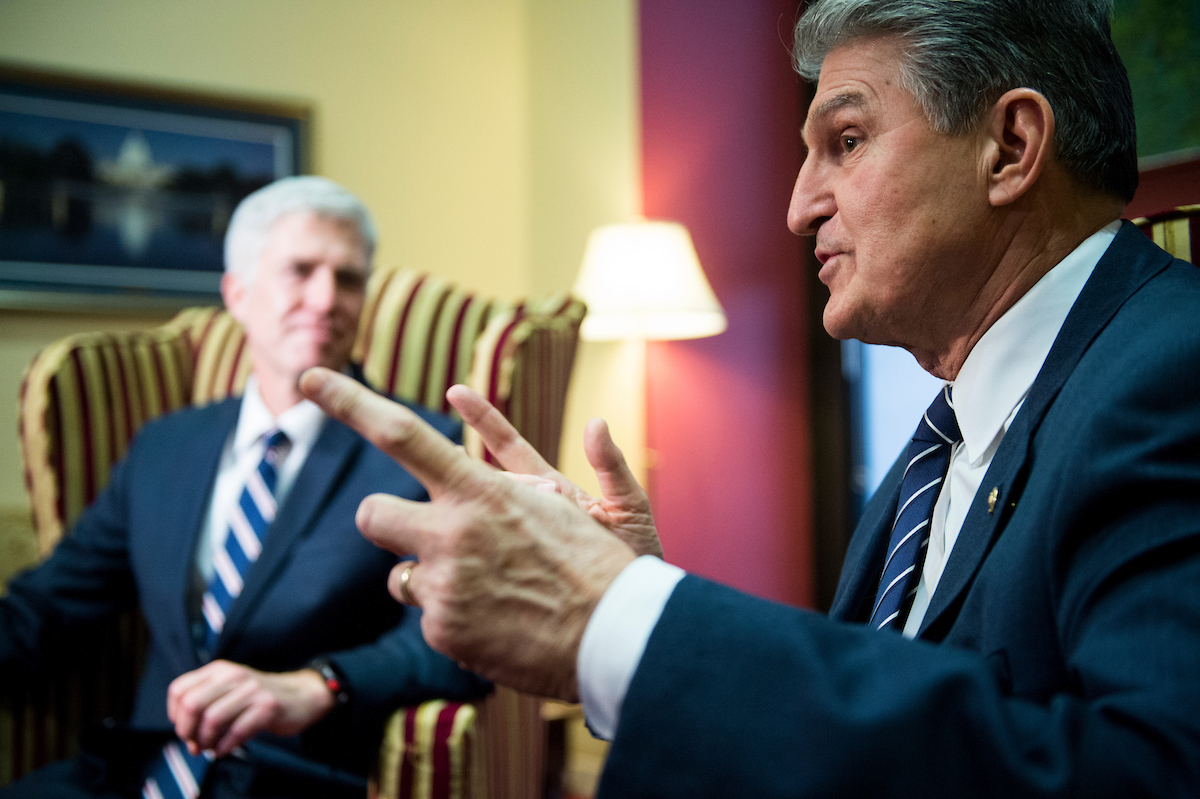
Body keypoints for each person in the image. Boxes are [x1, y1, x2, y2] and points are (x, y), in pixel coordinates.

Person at [302, 0, 1200, 795]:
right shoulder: (947, 433)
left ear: (1008, 147)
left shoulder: (1172, 373)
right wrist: (639, 592)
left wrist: (626, 621)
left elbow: (1148, 769)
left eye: (845, 143)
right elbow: (884, 720)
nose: (798, 207)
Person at [0, 177, 488, 799]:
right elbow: (48, 609)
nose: (324, 298)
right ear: (237, 292)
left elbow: (457, 634)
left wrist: (321, 684)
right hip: (131, 770)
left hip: (293, 775)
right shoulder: (165, 447)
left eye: (348, 278)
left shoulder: (418, 448)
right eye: (300, 270)